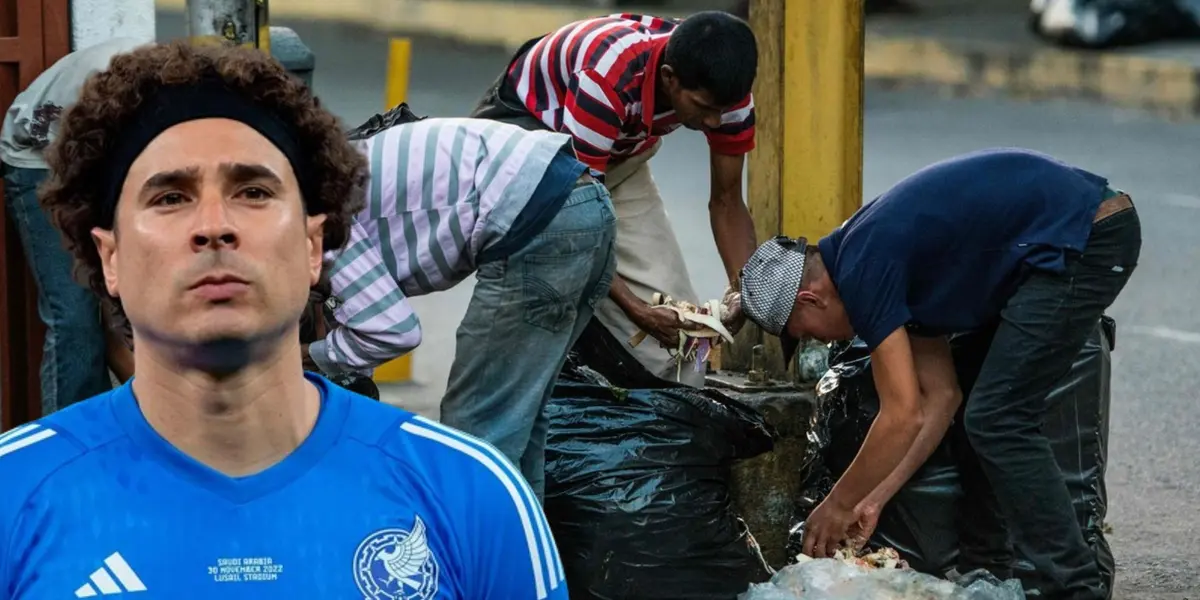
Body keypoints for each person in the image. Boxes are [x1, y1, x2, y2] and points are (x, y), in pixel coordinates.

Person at [0, 40, 567, 599]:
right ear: (111, 257)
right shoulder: (14, 495)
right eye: (170, 197)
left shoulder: (471, 494)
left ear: (314, 246)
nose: (215, 225)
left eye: (252, 190)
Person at [737, 148, 1140, 599]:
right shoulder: (868, 260)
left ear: (811, 300)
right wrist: (874, 498)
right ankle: (990, 572)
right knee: (979, 408)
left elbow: (901, 414)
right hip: (1065, 241)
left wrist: (837, 505)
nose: (816, 342)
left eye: (803, 332)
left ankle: (1074, 588)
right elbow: (940, 398)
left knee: (999, 419)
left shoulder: (863, 266)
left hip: (1089, 236)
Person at [305, 106, 617, 498]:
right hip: (586, 201)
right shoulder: (323, 174)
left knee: (475, 430)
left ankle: (478, 558)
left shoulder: (314, 219)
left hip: (539, 215)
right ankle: (525, 552)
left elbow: (392, 331)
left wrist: (309, 355)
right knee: (519, 419)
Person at [471, 10, 758, 387]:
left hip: (611, 159)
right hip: (531, 155)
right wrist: (637, 311)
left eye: (722, 111)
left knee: (684, 348)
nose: (715, 122)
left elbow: (727, 202)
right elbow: (578, 219)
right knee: (542, 315)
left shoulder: (726, 94)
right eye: (703, 109)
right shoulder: (607, 76)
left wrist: (745, 292)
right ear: (670, 78)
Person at [0, 37, 145, 419]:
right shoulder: (128, 93)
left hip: (90, 155)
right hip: (37, 159)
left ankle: (108, 426)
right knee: (75, 317)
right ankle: (69, 436)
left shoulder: (169, 88)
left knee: (116, 305)